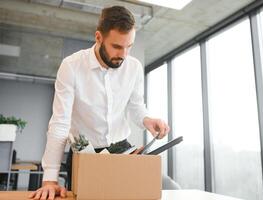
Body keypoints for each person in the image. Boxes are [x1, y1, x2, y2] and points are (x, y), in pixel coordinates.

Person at [29, 6, 170, 200]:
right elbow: (60, 123)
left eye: (129, 46)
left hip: (123, 151)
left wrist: (147, 120)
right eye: (117, 47)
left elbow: (136, 107)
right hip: (85, 155)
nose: (124, 55)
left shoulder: (134, 68)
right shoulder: (71, 66)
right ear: (98, 37)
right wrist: (50, 179)